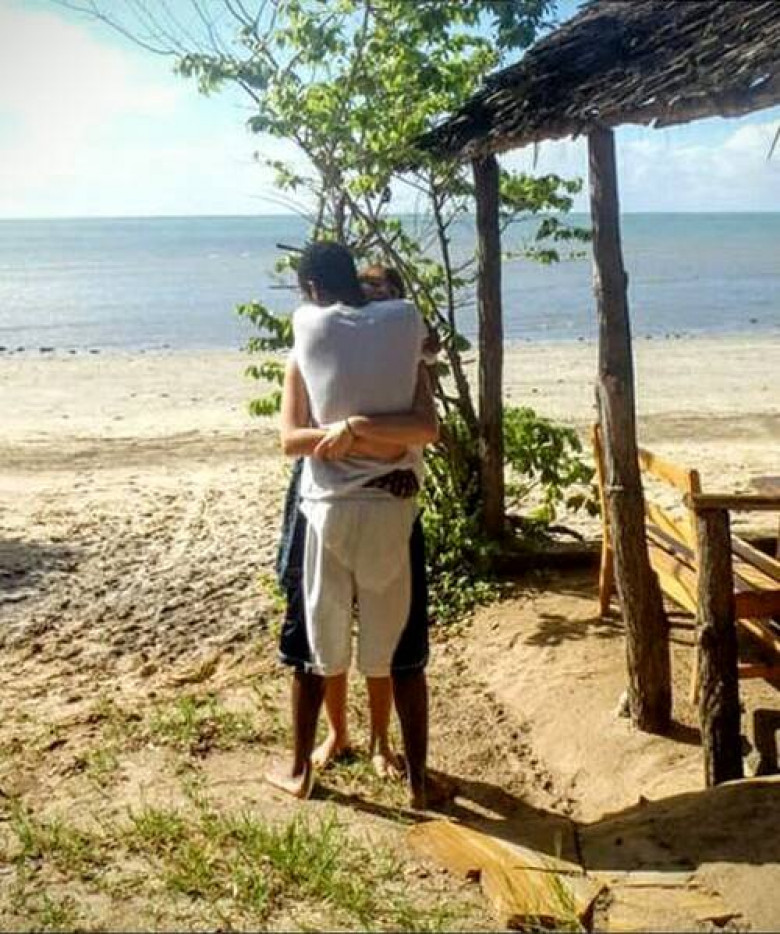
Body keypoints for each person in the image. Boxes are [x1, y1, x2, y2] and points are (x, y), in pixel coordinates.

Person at [267, 241, 437, 808]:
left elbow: (291, 440)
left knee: (316, 646)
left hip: (327, 508)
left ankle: (301, 769)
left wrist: (348, 432)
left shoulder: (306, 326)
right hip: (393, 508)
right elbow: (424, 427)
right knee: (403, 652)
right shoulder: (406, 322)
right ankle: (416, 781)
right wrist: (373, 436)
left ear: (312, 288)